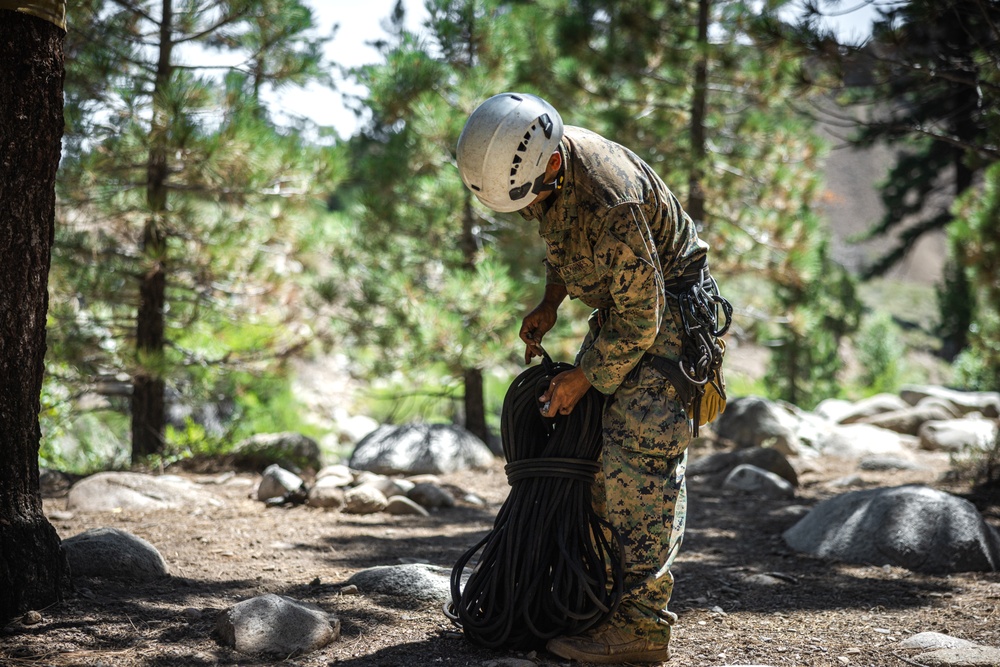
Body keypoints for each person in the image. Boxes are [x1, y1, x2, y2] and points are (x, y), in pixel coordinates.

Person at [456, 92, 729, 664]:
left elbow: (643, 315)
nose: (530, 210)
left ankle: (641, 628)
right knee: (592, 457)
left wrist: (585, 377)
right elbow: (563, 239)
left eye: (532, 197)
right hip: (629, 313)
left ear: (552, 164)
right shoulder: (546, 168)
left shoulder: (610, 198)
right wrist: (551, 301)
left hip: (670, 317)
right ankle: (601, 603)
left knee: (638, 461)